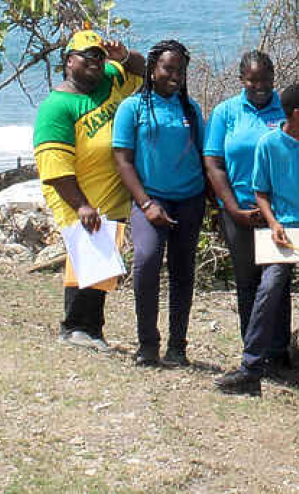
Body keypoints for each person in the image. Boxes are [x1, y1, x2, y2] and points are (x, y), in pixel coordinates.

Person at [32, 29, 145, 351]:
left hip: (111, 192)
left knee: (101, 261)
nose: (96, 62)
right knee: (86, 255)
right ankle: (75, 327)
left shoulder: (110, 77)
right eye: (88, 56)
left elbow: (144, 71)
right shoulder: (57, 106)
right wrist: (81, 204)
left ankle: (92, 329)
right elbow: (55, 166)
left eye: (99, 55)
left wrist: (122, 56)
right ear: (69, 61)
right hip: (76, 192)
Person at [215, 84, 299, 396]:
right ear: (298, 113)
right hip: (284, 236)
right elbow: (260, 192)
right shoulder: (268, 144)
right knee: (268, 291)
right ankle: (251, 368)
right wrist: (273, 222)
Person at [112, 39, 206, 368]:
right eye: (168, 68)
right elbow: (123, 160)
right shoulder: (132, 107)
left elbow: (207, 159)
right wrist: (147, 203)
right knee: (147, 260)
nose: (174, 75)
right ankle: (147, 344)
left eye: (180, 70)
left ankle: (177, 347)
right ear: (152, 69)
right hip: (150, 199)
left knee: (183, 272)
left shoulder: (191, 110)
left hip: (190, 201)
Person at [203, 51, 291, 368]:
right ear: (242, 79)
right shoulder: (226, 112)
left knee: (278, 284)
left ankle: (279, 353)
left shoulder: (285, 110)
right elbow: (213, 163)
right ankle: (253, 352)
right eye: (253, 79)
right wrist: (232, 208)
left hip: (280, 215)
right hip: (238, 212)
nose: (260, 85)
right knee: (248, 283)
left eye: (265, 79)